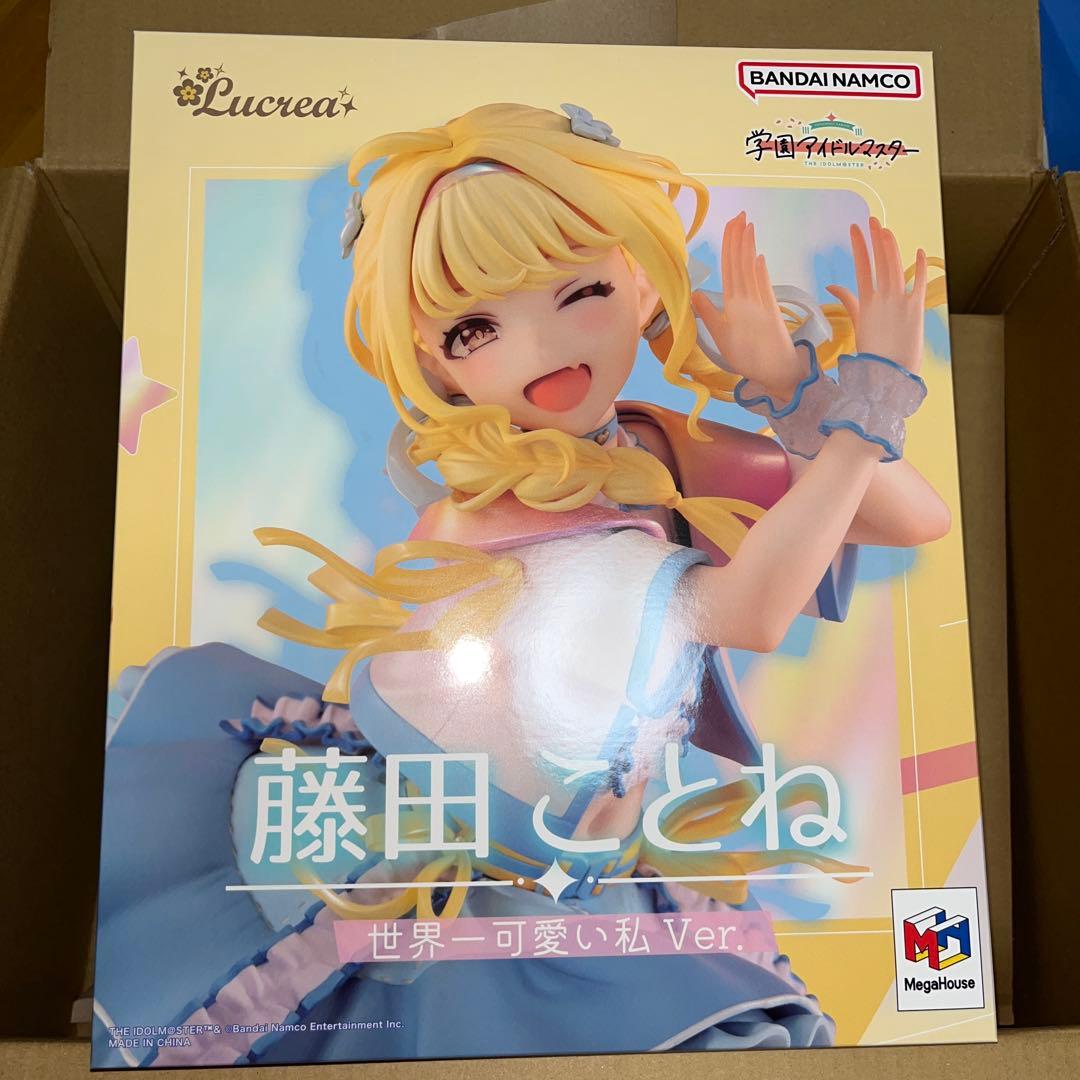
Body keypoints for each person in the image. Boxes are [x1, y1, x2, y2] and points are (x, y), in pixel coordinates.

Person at [93, 102, 950, 1068]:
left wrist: (795, 389)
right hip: (473, 860)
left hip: (593, 849)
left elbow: (909, 517)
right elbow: (749, 612)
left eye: (580, 291)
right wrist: (867, 406)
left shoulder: (648, 443)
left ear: (641, 279)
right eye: (476, 328)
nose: (541, 348)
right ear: (433, 362)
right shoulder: (493, 514)